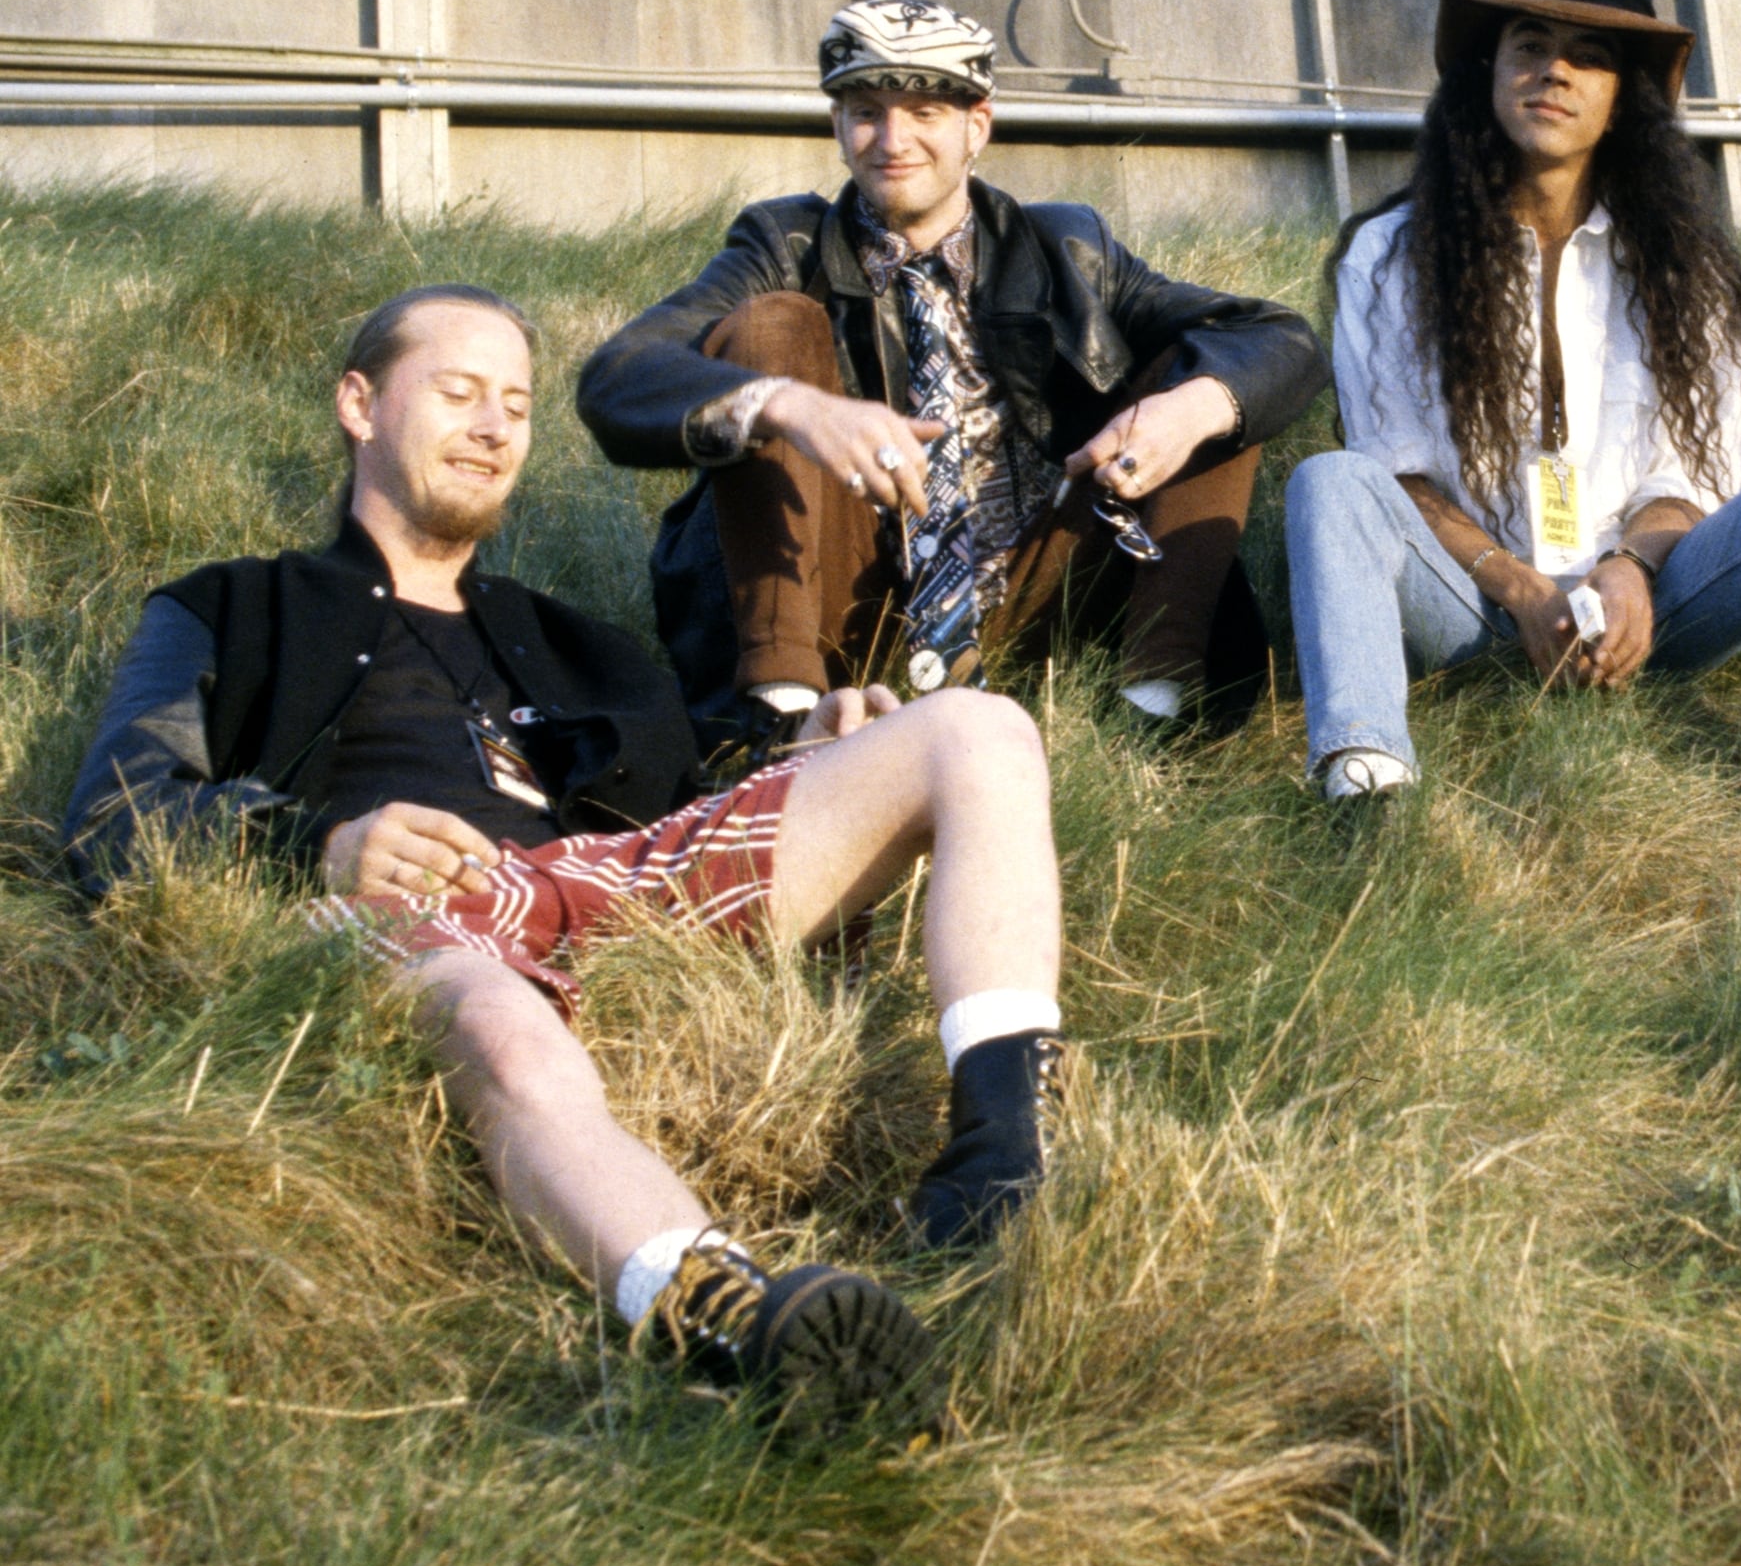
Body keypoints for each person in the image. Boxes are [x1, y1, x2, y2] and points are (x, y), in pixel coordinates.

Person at [65, 286, 1080, 1435]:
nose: (495, 427)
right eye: (457, 393)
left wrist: (806, 749)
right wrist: (320, 841)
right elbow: (116, 810)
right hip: (426, 902)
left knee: (977, 730)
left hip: (614, 876)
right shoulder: (233, 603)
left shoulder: (573, 636)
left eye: (517, 404)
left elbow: (690, 801)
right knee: (497, 1027)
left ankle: (997, 1165)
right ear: (359, 402)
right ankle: (736, 1321)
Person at [1284, 0, 1741, 821]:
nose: (1554, 72)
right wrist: (1521, 587)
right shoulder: (1388, 255)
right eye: (1529, 45)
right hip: (1470, 604)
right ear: (1487, 73)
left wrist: (1626, 570)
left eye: (1590, 56)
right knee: (1330, 481)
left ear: (1624, 98)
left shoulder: (1689, 267)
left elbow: (1695, 477)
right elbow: (1395, 475)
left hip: (1652, 604)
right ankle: (1364, 780)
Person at [575, 0, 1328, 746]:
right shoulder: (784, 243)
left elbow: (1275, 336)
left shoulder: (1068, 247)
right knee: (775, 325)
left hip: (1037, 595)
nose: (892, 140)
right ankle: (781, 709)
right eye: (866, 111)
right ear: (838, 127)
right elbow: (620, 374)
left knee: (1208, 379)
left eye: (925, 113)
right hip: (844, 604)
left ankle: (1153, 709)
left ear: (978, 126)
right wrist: (793, 408)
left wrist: (1187, 411)